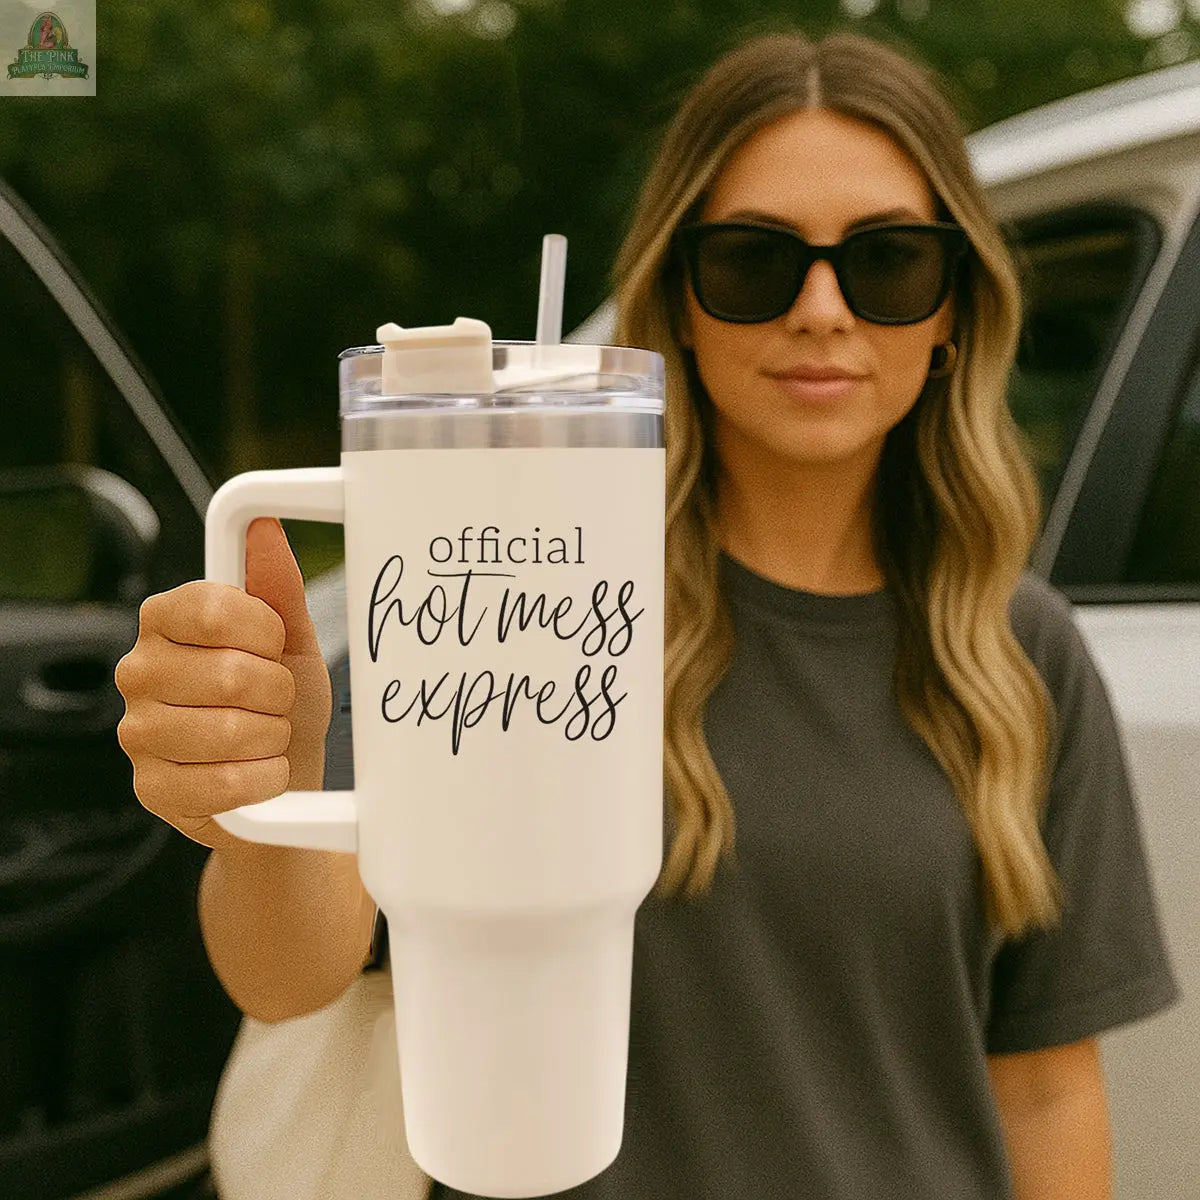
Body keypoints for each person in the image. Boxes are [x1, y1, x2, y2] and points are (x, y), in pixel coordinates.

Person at [114, 28, 1180, 1200]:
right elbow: (284, 974)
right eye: (751, 262)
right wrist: (268, 784)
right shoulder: (519, 581)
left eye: (888, 263)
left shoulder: (1020, 651)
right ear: (677, 302)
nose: (822, 310)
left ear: (952, 313)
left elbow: (1043, 1086)